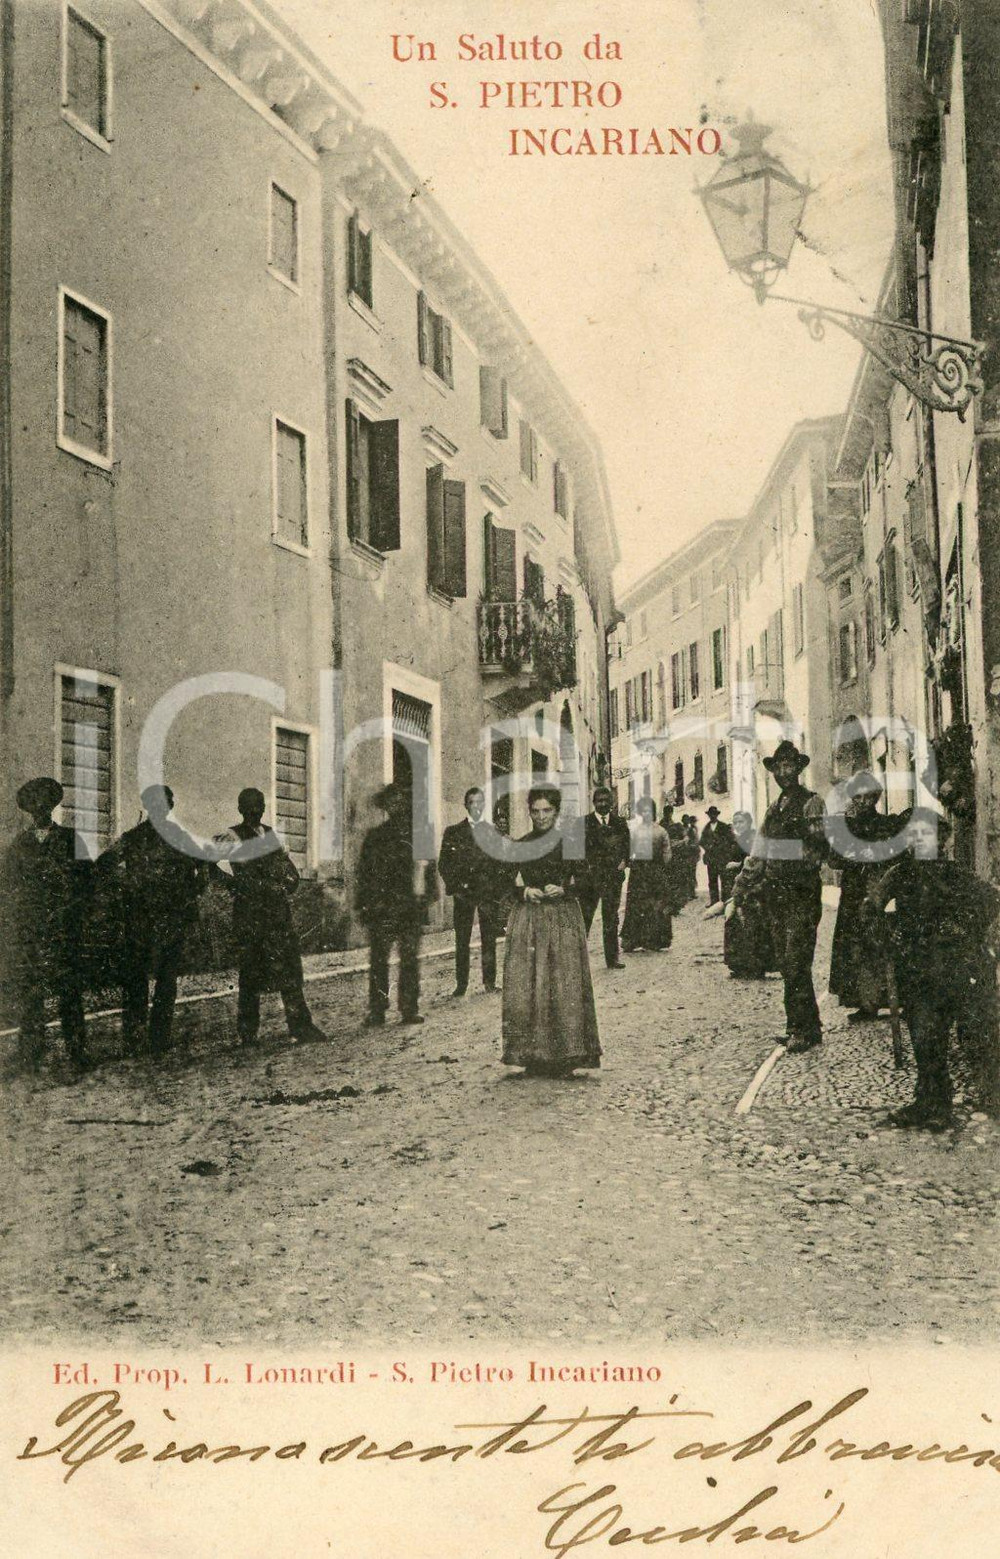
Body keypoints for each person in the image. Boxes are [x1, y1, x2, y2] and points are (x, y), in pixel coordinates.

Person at [866, 808, 1000, 1130]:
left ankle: (991, 1097)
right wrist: (889, 934)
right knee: (926, 1038)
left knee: (979, 1036)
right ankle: (932, 1103)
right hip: (918, 968)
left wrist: (966, 933)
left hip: (958, 967)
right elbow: (870, 910)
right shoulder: (899, 874)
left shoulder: (956, 874)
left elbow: (991, 902)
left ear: (942, 841)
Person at [100, 785, 208, 1054]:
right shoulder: (133, 837)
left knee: (166, 978)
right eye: (155, 805)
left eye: (164, 805)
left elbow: (204, 863)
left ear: (170, 807)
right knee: (136, 977)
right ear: (148, 808)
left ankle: (159, 1036)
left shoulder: (180, 837)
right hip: (140, 917)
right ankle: (135, 1037)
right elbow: (104, 863)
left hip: (172, 918)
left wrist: (193, 890)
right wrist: (125, 886)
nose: (160, 810)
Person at [501, 785, 600, 1077]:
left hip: (562, 919)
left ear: (556, 812)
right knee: (529, 984)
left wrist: (566, 888)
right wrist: (524, 892)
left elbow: (589, 880)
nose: (541, 816)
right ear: (529, 812)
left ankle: (565, 1055)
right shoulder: (521, 844)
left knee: (562, 983)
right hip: (530, 921)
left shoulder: (570, 843)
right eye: (536, 811)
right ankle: (534, 1056)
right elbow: (502, 882)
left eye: (547, 810)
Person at [214, 788, 326, 1046]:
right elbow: (208, 864)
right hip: (250, 916)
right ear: (241, 809)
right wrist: (235, 884)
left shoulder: (271, 835)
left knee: (290, 969)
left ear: (264, 808)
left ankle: (301, 1026)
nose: (255, 810)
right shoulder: (232, 836)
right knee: (251, 972)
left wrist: (289, 882)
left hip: (277, 914)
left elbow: (289, 870)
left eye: (259, 805)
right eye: (250, 806)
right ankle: (247, 1032)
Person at [1, 777, 91, 1070]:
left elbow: (86, 881)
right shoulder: (20, 845)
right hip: (31, 928)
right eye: (34, 804)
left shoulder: (69, 839)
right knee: (31, 991)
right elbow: (8, 885)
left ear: (51, 806)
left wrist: (73, 912)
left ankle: (77, 1051)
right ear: (29, 809)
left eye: (44, 803)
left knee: (69, 990)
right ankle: (31, 1053)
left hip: (63, 927)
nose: (40, 809)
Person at [753, 740, 828, 1052]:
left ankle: (804, 1030)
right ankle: (801, 1025)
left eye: (788, 766)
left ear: (798, 769)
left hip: (801, 893)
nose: (783, 772)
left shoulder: (812, 803)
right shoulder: (774, 808)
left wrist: (778, 853)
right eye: (778, 767)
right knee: (785, 961)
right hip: (776, 894)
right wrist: (745, 881)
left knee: (797, 960)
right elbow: (759, 849)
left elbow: (818, 850)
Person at [827, 771, 906, 1022]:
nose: (863, 802)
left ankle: (894, 998)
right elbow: (833, 860)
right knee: (856, 946)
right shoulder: (845, 826)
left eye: (868, 797)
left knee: (881, 942)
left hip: (879, 890)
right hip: (853, 891)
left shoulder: (887, 824)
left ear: (876, 798)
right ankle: (866, 1002)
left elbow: (898, 855)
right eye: (858, 797)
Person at [355, 783, 431, 1027]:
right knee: (379, 959)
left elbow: (428, 871)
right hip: (383, 908)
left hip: (410, 908)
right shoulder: (375, 837)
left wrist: (425, 902)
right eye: (391, 802)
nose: (396, 806)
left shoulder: (419, 835)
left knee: (409, 959)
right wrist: (364, 905)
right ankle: (377, 1010)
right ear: (386, 806)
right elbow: (364, 874)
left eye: (400, 801)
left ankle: (409, 1009)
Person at [438, 786, 509, 997]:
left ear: (484, 805)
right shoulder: (453, 832)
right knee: (462, 940)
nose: (476, 806)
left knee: (489, 938)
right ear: (466, 805)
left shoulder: (492, 832)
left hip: (487, 894)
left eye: (479, 802)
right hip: (464, 894)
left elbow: (501, 865)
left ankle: (489, 982)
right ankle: (461, 985)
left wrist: (496, 892)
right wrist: (456, 888)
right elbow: (444, 864)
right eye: (472, 803)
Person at [579, 785, 630, 969]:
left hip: (612, 879)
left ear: (611, 803)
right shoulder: (584, 823)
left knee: (611, 919)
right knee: (585, 918)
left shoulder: (620, 823)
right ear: (593, 803)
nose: (602, 804)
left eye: (606, 801)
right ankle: (578, 959)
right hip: (589, 880)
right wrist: (583, 871)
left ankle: (612, 959)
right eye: (599, 801)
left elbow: (628, 846)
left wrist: (624, 862)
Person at [620, 797, 673, 951]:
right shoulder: (638, 831)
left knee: (653, 905)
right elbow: (629, 850)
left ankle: (652, 940)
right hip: (643, 872)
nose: (646, 813)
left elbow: (667, 853)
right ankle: (636, 940)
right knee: (639, 905)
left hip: (651, 871)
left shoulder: (659, 831)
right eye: (643, 811)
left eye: (648, 810)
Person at [700, 807, 738, 905]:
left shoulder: (723, 826)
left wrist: (722, 847)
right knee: (712, 881)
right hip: (711, 858)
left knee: (724, 880)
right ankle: (714, 902)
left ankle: (725, 901)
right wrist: (708, 847)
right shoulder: (706, 828)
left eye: (714, 814)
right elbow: (701, 841)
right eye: (710, 814)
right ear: (708, 815)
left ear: (717, 815)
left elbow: (731, 840)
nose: (712, 816)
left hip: (722, 858)